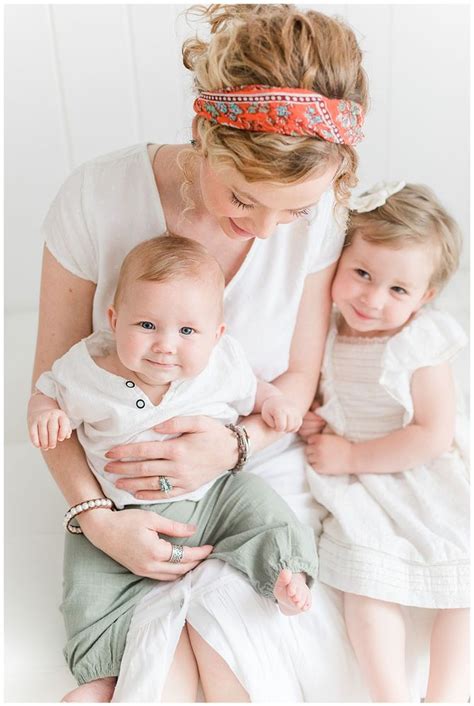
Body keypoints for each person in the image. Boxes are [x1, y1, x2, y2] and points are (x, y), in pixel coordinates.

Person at [32, 4, 377, 702]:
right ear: (203, 135)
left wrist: (232, 446)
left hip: (251, 477)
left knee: (240, 646)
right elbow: (50, 388)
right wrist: (99, 520)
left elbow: (298, 377)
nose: (268, 229)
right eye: (245, 198)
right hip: (115, 485)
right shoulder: (95, 198)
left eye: (294, 210)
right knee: (147, 665)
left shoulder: (319, 223)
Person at [28, 233, 317, 701]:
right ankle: (102, 677)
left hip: (212, 500)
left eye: (187, 332)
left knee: (261, 506)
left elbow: (253, 390)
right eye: (147, 325)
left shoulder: (222, 364)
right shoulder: (88, 369)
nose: (165, 345)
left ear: (216, 335)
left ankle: (283, 572)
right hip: (118, 511)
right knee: (86, 584)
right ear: (114, 320)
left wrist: (275, 402)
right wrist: (46, 414)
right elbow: (46, 392)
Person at [300, 182, 470, 702]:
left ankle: (445, 696)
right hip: (362, 484)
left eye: (398, 290)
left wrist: (352, 454)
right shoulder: (324, 327)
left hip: (421, 472)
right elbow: (324, 390)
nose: (372, 300)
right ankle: (390, 696)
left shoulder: (418, 341)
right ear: (338, 260)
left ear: (425, 298)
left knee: (464, 580)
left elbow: (433, 433)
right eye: (362, 274)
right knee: (365, 574)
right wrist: (314, 418)